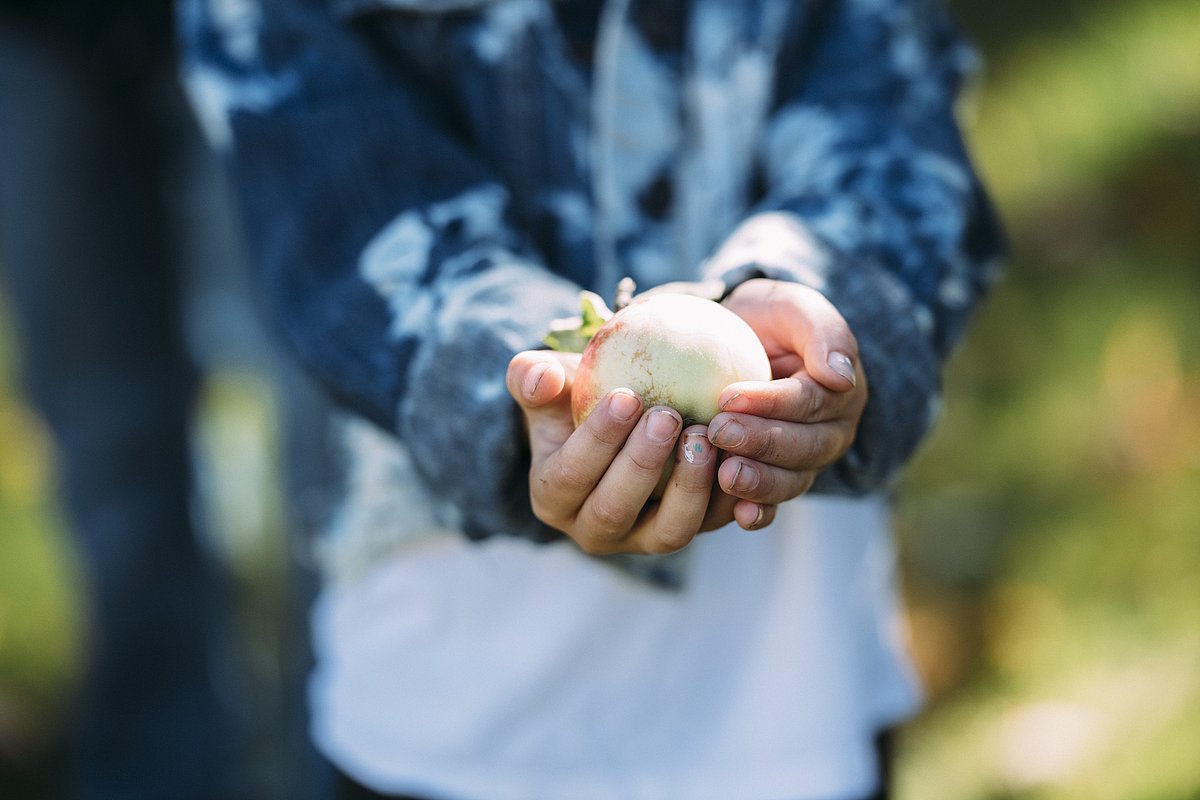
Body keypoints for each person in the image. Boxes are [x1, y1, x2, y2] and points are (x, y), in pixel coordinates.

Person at [179, 1, 1004, 798]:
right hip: (451, 690)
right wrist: (524, 383)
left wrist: (817, 309)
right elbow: (328, 188)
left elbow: (891, 112)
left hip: (788, 682)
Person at [0, 2, 330, 797]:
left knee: (329, 429)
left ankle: (327, 763)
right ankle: (154, 773)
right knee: (107, 440)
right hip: (33, 34)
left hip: (282, 25)